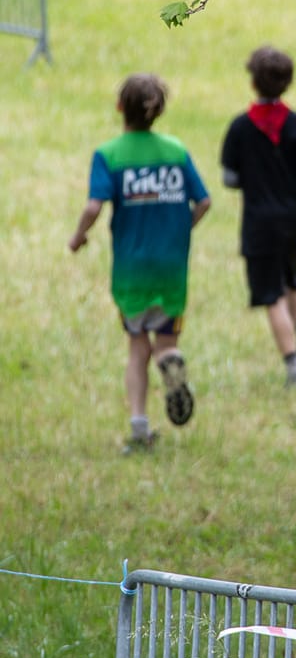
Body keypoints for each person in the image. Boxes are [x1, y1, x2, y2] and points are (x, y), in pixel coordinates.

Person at [69, 73, 211, 453]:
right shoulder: (176, 151)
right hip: (171, 267)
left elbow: (93, 205)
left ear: (119, 108)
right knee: (166, 341)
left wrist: (79, 235)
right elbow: (204, 201)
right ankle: (171, 361)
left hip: (131, 269)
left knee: (137, 345)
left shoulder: (109, 155)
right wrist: (183, 229)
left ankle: (139, 427)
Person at [221, 46, 296, 391]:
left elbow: (228, 178)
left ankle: (294, 367)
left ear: (253, 81)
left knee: (270, 293)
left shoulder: (241, 127)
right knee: (291, 276)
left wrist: (251, 182)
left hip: (260, 222)